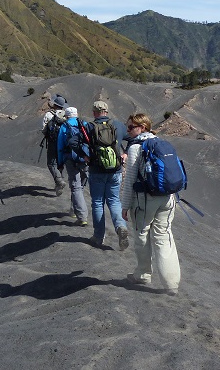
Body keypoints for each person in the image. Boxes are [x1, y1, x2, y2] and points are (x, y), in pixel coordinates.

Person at [120, 112, 180, 295]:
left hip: (144, 200)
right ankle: (171, 284)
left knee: (142, 235)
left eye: (131, 127)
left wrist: (125, 205)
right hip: (168, 198)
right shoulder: (161, 144)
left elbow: (130, 178)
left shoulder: (135, 148)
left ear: (142, 127)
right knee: (164, 237)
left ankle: (143, 274)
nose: (128, 130)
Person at [87, 101, 130, 249]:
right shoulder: (118, 125)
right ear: (106, 111)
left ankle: (98, 237)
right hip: (115, 170)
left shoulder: (89, 127)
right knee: (114, 201)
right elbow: (132, 138)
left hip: (96, 170)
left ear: (94, 112)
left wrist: (86, 157)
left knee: (98, 202)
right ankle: (120, 227)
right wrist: (125, 153)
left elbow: (76, 143)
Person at [56, 106, 89, 226]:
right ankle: (74, 210)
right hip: (85, 158)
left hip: (70, 158)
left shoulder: (65, 126)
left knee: (75, 186)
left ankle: (82, 216)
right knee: (81, 186)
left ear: (67, 116)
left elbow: (60, 146)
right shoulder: (84, 124)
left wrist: (60, 163)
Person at [40, 94, 68, 196]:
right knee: (60, 163)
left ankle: (59, 181)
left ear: (55, 104)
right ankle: (58, 185)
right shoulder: (66, 115)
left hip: (53, 142)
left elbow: (43, 129)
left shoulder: (49, 115)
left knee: (51, 163)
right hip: (64, 143)